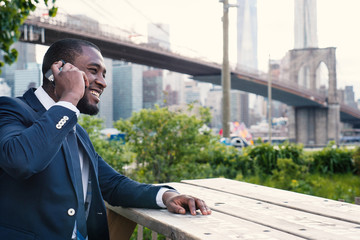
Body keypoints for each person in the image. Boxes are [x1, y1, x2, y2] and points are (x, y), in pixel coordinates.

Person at [0, 38, 211, 240]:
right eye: (93, 71)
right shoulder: (10, 109)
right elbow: (21, 160)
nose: (103, 82)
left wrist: (166, 196)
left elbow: (113, 184)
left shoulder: (77, 133)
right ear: (59, 70)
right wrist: (69, 98)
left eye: (104, 74)